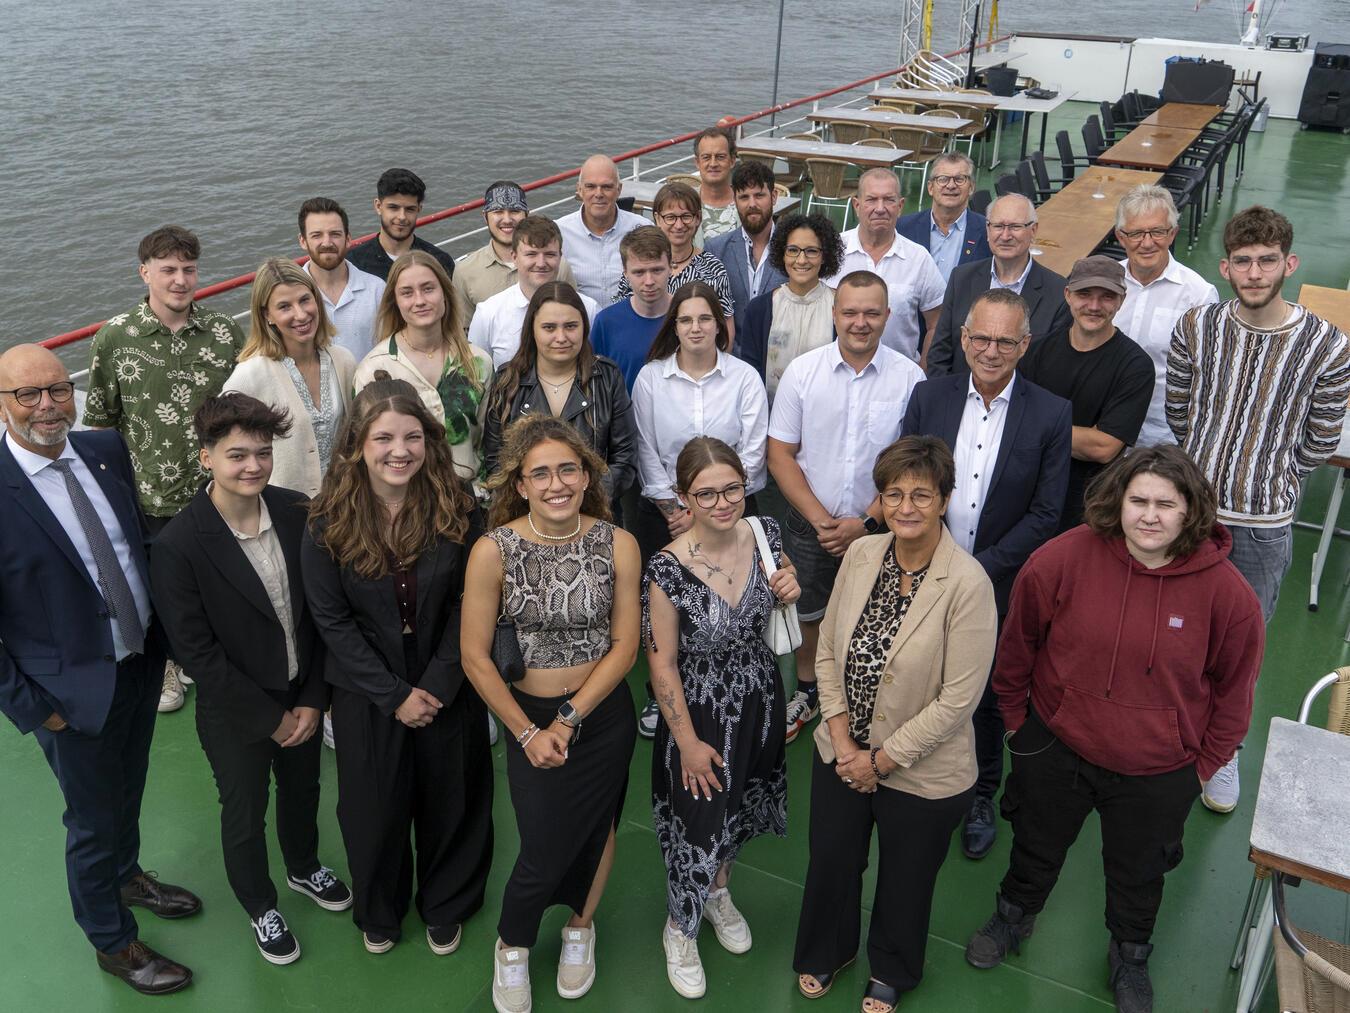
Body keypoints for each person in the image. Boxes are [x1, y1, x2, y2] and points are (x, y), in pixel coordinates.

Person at [966, 447, 1264, 1013]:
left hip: (1158, 771)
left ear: (1190, 510)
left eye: (1165, 504)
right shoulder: (1062, 559)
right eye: (1138, 501)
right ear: (1117, 502)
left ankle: (1129, 955)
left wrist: (1198, 770)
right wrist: (1020, 729)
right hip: (1056, 746)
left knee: (1140, 872)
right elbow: (1017, 646)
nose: (1149, 516)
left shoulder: (1229, 597)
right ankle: (1014, 917)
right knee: (1034, 844)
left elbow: (1234, 695)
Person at [0, 343, 199, 995]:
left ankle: (126, 875)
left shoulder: (104, 449)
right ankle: (113, 943)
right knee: (90, 820)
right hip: (69, 694)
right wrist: (36, 709)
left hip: (139, 662)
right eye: (27, 394)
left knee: (129, 785)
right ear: (2, 404)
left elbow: (135, 542)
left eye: (58, 389)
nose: (47, 405)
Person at [794, 436, 996, 1013]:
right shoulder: (861, 555)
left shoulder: (968, 583)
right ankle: (827, 950)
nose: (906, 507)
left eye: (921, 495)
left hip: (923, 769)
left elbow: (958, 700)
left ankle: (891, 967)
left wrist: (879, 761)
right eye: (893, 495)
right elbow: (827, 651)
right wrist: (841, 739)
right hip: (843, 750)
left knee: (907, 877)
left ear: (945, 500)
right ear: (879, 501)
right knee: (832, 860)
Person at [150, 393, 351, 965]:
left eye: (262, 453)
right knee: (244, 811)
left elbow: (318, 613)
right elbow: (198, 654)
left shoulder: (296, 511)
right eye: (237, 455)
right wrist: (271, 718)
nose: (253, 466)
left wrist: (312, 697)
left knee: (304, 790)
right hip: (237, 710)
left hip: (300, 694)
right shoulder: (178, 546)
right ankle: (260, 905)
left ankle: (303, 866)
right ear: (206, 458)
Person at [300, 378, 493, 956]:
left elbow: (470, 601)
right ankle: (379, 908)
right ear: (358, 443)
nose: (399, 451)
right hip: (366, 683)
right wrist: (393, 695)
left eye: (412, 437)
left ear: (429, 441)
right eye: (383, 438)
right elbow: (331, 620)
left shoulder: (460, 506)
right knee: (373, 805)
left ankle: (447, 901)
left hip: (446, 669)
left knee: (452, 795)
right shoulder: (326, 519)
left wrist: (437, 681)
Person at [1167, 204, 1350, 811]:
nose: (1254, 273)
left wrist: (1270, 476)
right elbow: (1179, 411)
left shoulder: (1327, 346)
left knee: (1239, 652)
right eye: (1242, 261)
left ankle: (1223, 754)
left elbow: (1321, 439)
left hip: (1263, 529)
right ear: (1224, 268)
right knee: (1174, 635)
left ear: (1289, 264)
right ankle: (1170, 736)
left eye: (1266, 261)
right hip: (1191, 520)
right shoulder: (1196, 327)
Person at [460, 415, 640, 1013]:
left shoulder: (618, 543)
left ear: (588, 476)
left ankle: (580, 928)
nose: (556, 483)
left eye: (568, 469)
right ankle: (512, 943)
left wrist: (569, 718)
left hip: (599, 714)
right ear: (521, 484)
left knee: (598, 826)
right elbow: (474, 657)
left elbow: (625, 647)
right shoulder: (493, 550)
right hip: (527, 718)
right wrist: (528, 730)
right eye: (541, 473)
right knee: (540, 840)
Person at [900, 288, 1073, 860]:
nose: (990, 351)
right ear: (963, 338)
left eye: (1004, 341)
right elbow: (907, 483)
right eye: (980, 338)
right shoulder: (929, 397)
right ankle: (914, 771)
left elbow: (1046, 513)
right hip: (922, 570)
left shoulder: (1051, 413)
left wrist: (974, 569)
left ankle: (979, 795)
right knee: (919, 675)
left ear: (1025, 345)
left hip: (998, 583)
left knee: (988, 694)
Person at [643, 437, 798, 998]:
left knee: (738, 814)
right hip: (699, 712)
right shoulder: (665, 570)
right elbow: (661, 663)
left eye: (732, 489)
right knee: (696, 821)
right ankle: (679, 926)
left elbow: (783, 586)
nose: (722, 502)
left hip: (759, 702)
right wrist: (685, 742)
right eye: (706, 493)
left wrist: (791, 585)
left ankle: (715, 894)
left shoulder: (765, 534)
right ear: (683, 497)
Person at [83, 224, 246, 713]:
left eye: (189, 269)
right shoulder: (115, 337)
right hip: (149, 495)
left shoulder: (225, 332)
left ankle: (211, 655)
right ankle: (170, 662)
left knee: (220, 580)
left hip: (219, 492)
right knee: (162, 587)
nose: (180, 280)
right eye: (169, 269)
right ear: (144, 273)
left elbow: (242, 411)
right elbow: (100, 422)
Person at [768, 271, 925, 745]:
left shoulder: (910, 379)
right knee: (809, 613)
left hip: (883, 529)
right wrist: (823, 521)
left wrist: (868, 520)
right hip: (810, 525)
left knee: (880, 615)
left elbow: (912, 464)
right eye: (851, 312)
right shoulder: (802, 372)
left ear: (887, 316)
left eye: (871, 313)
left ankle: (868, 697)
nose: (860, 322)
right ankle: (808, 691)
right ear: (834, 314)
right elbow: (780, 454)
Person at [632, 282, 769, 567]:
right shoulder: (650, 378)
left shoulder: (744, 377)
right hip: (667, 520)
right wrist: (678, 513)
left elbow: (753, 455)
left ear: (719, 325)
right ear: (674, 327)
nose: (695, 328)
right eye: (686, 320)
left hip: (732, 513)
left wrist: (708, 508)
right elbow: (645, 451)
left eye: (705, 319)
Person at [1021, 255, 1154, 532]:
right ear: (1067, 295)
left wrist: (1034, 428)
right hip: (1027, 496)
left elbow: (1103, 447)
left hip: (1089, 506)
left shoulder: (1135, 366)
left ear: (1121, 300)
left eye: (1106, 297)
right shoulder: (1036, 351)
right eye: (1084, 294)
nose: (1094, 306)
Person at [482, 281, 636, 507]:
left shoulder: (607, 377)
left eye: (571, 326)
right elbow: (495, 459)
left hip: (595, 510)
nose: (561, 337)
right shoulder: (508, 381)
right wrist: (537, 504)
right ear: (532, 329)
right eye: (549, 327)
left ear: (584, 327)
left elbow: (625, 457)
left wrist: (581, 499)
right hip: (526, 514)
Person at [353, 250, 494, 488]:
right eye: (407, 293)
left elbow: (487, 443)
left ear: (445, 294)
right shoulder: (374, 369)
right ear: (395, 302)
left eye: (428, 289)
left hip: (471, 499)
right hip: (406, 500)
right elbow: (366, 450)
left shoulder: (478, 363)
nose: (419, 300)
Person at [224, 259, 357, 498]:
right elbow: (224, 447)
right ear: (267, 315)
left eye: (305, 300)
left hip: (344, 503)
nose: (301, 314)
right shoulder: (250, 375)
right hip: (284, 510)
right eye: (285, 307)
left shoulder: (343, 360)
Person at [1112, 186, 1218, 449]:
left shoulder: (1198, 295)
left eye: (1157, 232)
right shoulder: (1106, 283)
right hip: (1105, 428)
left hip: (1162, 436)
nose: (1147, 243)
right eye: (1136, 233)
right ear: (1120, 237)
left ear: (1172, 234)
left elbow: (1207, 375)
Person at [926, 194, 1072, 378]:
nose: (1005, 235)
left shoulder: (1058, 293)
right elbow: (940, 353)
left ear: (1033, 230)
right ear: (988, 230)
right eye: (998, 226)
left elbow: (1053, 369)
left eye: (1015, 227)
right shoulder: (961, 278)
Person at [826, 169, 945, 365]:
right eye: (871, 199)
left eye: (889, 200)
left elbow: (936, 323)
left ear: (900, 206)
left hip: (901, 377)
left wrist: (923, 372)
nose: (880, 208)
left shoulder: (918, 258)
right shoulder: (833, 250)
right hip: (838, 372)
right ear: (857, 205)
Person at [468, 215, 600, 368]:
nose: (541, 263)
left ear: (560, 257)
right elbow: (478, 375)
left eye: (549, 254)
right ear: (514, 257)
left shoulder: (590, 309)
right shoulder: (488, 314)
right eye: (531, 254)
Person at [736, 212, 845, 397]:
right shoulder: (759, 309)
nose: (801, 260)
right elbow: (751, 374)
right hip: (771, 410)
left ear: (824, 256)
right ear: (782, 254)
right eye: (793, 250)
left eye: (812, 251)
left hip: (827, 410)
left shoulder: (841, 306)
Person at [451, 181, 578, 330]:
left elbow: (573, 316)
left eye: (515, 211)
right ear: (485, 217)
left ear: (527, 214)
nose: (507, 219)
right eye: (498, 211)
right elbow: (463, 330)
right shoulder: (465, 271)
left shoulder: (558, 267)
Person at [615, 183, 735, 329]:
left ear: (697, 218)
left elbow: (726, 327)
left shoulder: (713, 269)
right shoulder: (640, 266)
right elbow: (619, 315)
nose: (679, 225)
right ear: (657, 219)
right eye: (670, 217)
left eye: (686, 216)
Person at [705, 160, 789, 337]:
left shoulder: (794, 250)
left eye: (759, 195)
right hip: (730, 350)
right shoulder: (716, 250)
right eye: (744, 197)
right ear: (734, 199)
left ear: (774, 196)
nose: (752, 204)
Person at [298, 197, 387, 361]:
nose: (327, 243)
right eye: (317, 235)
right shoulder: (290, 294)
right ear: (303, 241)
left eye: (335, 234)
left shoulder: (377, 289)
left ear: (348, 239)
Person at [590, 226, 674, 392]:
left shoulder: (690, 318)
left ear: (671, 267)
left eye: (657, 270)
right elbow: (595, 383)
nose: (649, 281)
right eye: (639, 272)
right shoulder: (606, 322)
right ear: (625, 273)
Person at [557, 155, 649, 305]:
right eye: (591, 186)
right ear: (579, 190)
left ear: (619, 189)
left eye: (606, 187)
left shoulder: (642, 229)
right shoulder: (559, 234)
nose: (599, 194)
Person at [894, 152, 992, 282]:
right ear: (930, 187)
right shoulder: (902, 228)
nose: (951, 185)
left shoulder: (988, 231)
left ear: (971, 187)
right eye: (943, 179)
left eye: (959, 179)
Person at [346, 167, 457, 282]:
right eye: (393, 208)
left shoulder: (440, 262)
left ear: (419, 209)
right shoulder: (351, 264)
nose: (402, 217)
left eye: (410, 209)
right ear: (378, 206)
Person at [693, 126, 741, 240]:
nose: (713, 164)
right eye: (706, 157)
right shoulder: (686, 202)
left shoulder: (747, 202)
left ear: (732, 161)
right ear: (697, 162)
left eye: (720, 157)